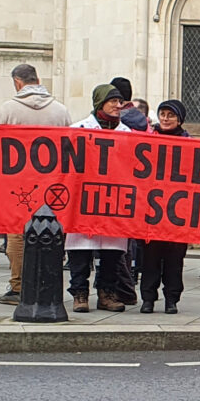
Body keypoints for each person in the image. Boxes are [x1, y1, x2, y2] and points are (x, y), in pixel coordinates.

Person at [0, 63, 73, 306]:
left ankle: (18, 285)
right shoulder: (60, 111)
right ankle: (46, 283)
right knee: (50, 229)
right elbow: (69, 147)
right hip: (51, 183)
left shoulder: (8, 109)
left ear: (17, 82)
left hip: (17, 183)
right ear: (37, 80)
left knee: (17, 233)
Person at [66, 84, 131, 313]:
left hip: (114, 199)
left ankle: (107, 293)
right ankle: (79, 292)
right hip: (84, 199)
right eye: (112, 101)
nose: (117, 105)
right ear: (100, 103)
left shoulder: (127, 134)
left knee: (112, 252)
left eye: (119, 101)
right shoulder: (79, 129)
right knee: (80, 250)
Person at [139, 100, 190, 313]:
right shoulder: (148, 139)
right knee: (149, 259)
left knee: (174, 260)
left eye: (170, 115)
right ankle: (148, 299)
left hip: (178, 212)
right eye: (162, 114)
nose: (165, 119)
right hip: (152, 210)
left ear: (179, 119)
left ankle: (172, 299)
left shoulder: (190, 143)